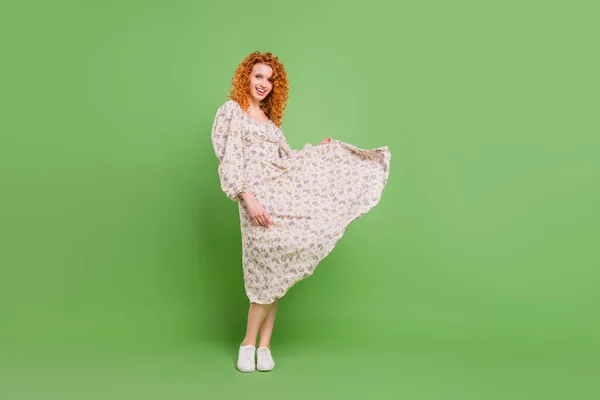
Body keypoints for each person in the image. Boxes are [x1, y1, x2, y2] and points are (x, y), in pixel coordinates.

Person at [211, 51, 391, 373]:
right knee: (264, 270)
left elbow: (286, 163)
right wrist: (248, 199)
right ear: (246, 78)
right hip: (255, 200)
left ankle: (264, 347)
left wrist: (316, 152)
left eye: (270, 79)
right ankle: (247, 343)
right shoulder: (232, 113)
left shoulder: (270, 122)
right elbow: (229, 159)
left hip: (281, 198)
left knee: (278, 269)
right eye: (258, 77)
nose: (263, 84)